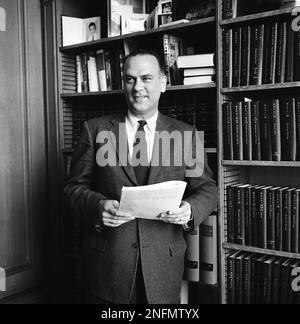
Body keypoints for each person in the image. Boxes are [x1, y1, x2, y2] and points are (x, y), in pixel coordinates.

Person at [64, 49, 218, 304]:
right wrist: (97, 206)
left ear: (163, 83)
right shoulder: (95, 130)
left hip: (163, 268)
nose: (138, 87)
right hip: (108, 266)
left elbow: (208, 189)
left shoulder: (186, 134)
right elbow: (72, 189)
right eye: (130, 79)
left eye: (146, 78)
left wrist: (189, 210)